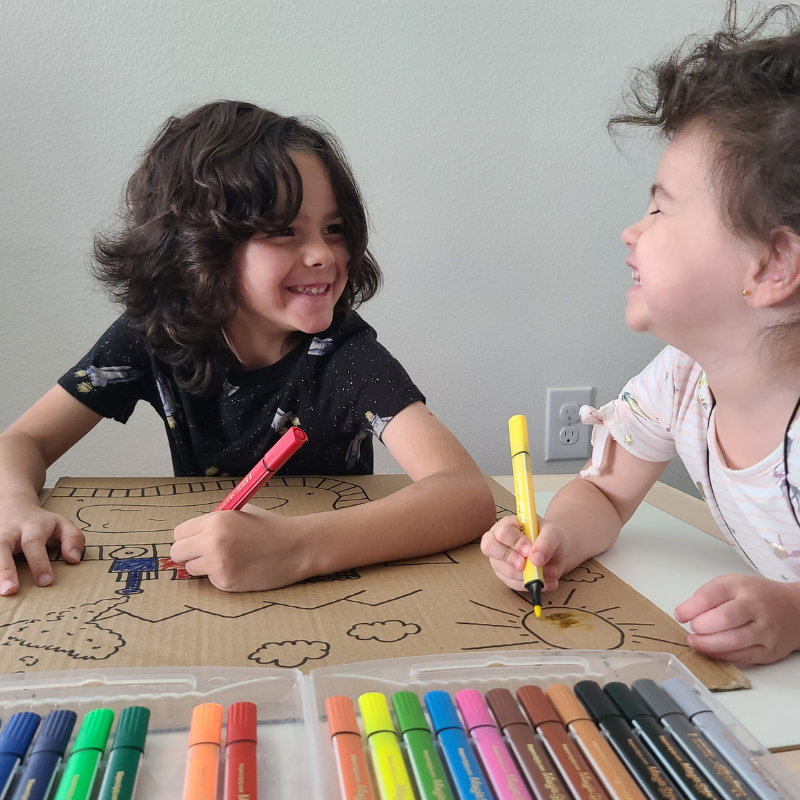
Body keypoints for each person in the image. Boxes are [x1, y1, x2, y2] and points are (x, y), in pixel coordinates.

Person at [0, 100, 495, 596]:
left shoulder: (344, 355)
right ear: (197, 246)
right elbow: (23, 441)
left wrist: (297, 547)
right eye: (284, 231)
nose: (323, 254)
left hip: (330, 595)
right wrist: (16, 505)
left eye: (334, 228)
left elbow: (465, 493)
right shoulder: (155, 336)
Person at [482, 3, 800, 665]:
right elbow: (604, 491)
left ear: (771, 265)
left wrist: (795, 612)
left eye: (660, 207)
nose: (633, 229)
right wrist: (557, 539)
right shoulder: (680, 379)